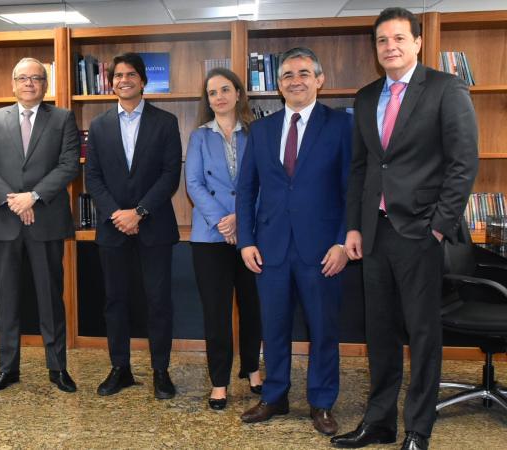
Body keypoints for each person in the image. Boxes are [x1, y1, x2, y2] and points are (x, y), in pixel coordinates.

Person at [332, 8, 478, 450]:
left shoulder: (444, 88)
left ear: (417, 42)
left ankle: (418, 428)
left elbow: (463, 163)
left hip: (420, 232)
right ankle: (379, 422)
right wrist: (354, 228)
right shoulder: (365, 96)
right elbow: (360, 168)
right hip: (373, 233)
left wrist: (438, 227)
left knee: (422, 334)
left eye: (398, 38)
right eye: (381, 40)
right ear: (375, 49)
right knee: (380, 334)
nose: (389, 46)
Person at [237, 47, 351, 436]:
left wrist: (341, 243)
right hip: (269, 249)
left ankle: (321, 402)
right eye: (287, 75)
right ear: (278, 84)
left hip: (322, 251)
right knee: (275, 327)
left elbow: (353, 190)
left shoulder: (341, 126)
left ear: (319, 80)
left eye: (304, 73)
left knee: (323, 329)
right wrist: (246, 241)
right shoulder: (262, 129)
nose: (296, 80)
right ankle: (275, 396)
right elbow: (246, 188)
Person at [0, 57, 80, 393]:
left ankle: (57, 367)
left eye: (36, 78)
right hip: (6, 221)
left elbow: (68, 165)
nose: (29, 84)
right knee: (6, 298)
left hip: (45, 220)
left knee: (50, 297)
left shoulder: (62, 118)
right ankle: (8, 368)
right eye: (23, 78)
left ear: (45, 84)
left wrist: (33, 197)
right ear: (13, 83)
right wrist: (13, 200)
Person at [85, 52, 182, 400]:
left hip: (154, 227)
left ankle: (161, 371)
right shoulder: (98, 125)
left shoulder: (166, 122)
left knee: (158, 301)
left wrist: (138, 212)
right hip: (113, 230)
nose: (123, 80)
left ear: (143, 80)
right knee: (115, 301)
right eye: (117, 76)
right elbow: (92, 177)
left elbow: (171, 175)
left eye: (130, 75)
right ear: (111, 83)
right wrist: (117, 215)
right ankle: (120, 368)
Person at [184, 67, 263, 410]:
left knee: (253, 307)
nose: (219, 97)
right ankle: (219, 382)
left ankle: (253, 369)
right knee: (216, 313)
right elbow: (194, 184)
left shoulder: (257, 133)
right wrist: (222, 221)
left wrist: (241, 219)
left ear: (239, 93)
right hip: (209, 238)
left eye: (225, 90)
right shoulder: (199, 136)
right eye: (212, 92)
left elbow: (265, 182)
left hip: (252, 235)